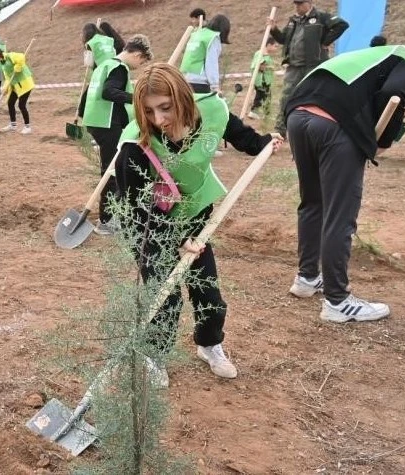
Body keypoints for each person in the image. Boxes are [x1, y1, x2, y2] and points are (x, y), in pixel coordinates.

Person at [114, 63, 284, 385]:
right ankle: (154, 353)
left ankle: (209, 345)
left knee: (207, 291)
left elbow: (237, 133)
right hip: (151, 228)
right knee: (165, 296)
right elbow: (136, 207)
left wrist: (262, 143)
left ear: (183, 97)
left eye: (166, 107)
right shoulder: (135, 145)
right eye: (149, 112)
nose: (159, 120)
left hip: (195, 218)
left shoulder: (211, 111)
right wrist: (172, 240)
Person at [284, 45, 405, 323]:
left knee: (313, 202)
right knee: (340, 216)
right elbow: (393, 94)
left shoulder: (366, 58)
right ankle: (337, 301)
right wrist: (380, 142)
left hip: (297, 116)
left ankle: (307, 277)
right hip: (334, 126)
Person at [78, 35, 153, 236]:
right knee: (111, 171)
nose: (139, 65)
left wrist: (80, 113)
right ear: (137, 54)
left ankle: (111, 215)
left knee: (113, 168)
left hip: (96, 121)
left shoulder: (104, 64)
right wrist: (136, 98)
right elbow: (109, 92)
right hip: (107, 123)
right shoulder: (119, 68)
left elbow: (89, 93)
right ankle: (107, 221)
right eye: (142, 61)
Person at [269, 0, 349, 135]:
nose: (297, 7)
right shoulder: (293, 21)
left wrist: (325, 42)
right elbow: (283, 39)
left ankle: (320, 129)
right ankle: (280, 131)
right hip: (294, 67)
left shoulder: (321, 17)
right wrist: (274, 30)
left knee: (316, 97)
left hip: (314, 66)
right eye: (296, 4)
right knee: (286, 98)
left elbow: (342, 25)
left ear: (309, 3)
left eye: (300, 4)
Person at [180, 14, 231, 94]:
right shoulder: (213, 38)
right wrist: (215, 86)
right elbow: (211, 62)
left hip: (185, 79)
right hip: (199, 81)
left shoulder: (197, 34)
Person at [0, 47, 35, 134]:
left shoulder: (10, 56)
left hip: (25, 84)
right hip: (16, 86)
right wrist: (5, 88)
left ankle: (27, 127)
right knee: (10, 102)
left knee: (21, 105)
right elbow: (8, 78)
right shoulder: (3, 63)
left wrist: (18, 66)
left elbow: (21, 57)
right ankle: (13, 125)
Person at [248, 37, 279, 120]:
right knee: (262, 96)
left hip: (265, 80)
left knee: (266, 96)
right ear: (269, 45)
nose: (276, 49)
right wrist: (270, 67)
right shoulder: (260, 54)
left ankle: (266, 114)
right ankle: (254, 111)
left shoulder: (265, 55)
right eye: (275, 46)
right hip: (262, 80)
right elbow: (260, 66)